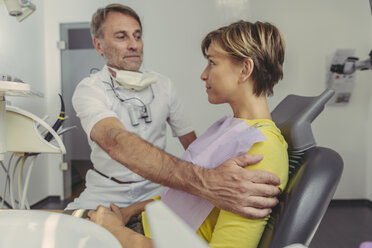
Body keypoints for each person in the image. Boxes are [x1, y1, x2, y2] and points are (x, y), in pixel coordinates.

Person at [67, 3, 282, 218]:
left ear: (245, 69)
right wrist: (206, 181)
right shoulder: (90, 89)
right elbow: (115, 141)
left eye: (138, 36)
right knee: (69, 225)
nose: (134, 44)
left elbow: (194, 148)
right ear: (99, 45)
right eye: (122, 37)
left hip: (157, 187)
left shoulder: (164, 85)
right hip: (106, 190)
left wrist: (207, 185)